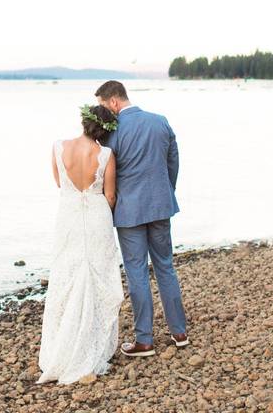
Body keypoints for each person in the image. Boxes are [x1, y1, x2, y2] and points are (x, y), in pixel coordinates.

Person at [96, 80, 188, 357]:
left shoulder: (112, 133)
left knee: (137, 272)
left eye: (103, 106)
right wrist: (165, 191)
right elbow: (173, 162)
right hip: (160, 205)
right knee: (165, 267)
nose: (104, 112)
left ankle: (144, 340)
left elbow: (106, 175)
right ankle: (179, 332)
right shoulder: (160, 122)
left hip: (129, 211)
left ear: (113, 101)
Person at [36, 104, 125, 384]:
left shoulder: (58, 147)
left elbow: (60, 184)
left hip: (69, 215)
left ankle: (60, 347)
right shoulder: (106, 155)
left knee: (67, 274)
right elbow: (110, 195)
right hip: (97, 215)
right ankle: (91, 343)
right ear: (106, 130)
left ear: (83, 121)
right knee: (98, 275)